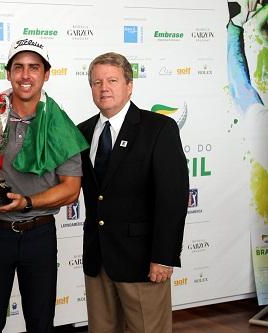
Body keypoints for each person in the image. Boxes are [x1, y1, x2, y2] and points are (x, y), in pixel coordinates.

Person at [0, 38, 89, 333]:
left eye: (34, 67)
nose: (25, 75)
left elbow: (71, 189)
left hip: (39, 235)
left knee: (40, 322)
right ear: (8, 73)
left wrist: (28, 202)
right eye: (18, 67)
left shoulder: (60, 124)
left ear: (46, 74)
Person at [77, 52, 189, 333]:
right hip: (98, 259)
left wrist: (164, 256)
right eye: (97, 82)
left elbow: (172, 198)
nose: (104, 88)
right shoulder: (82, 132)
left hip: (142, 261)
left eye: (112, 80)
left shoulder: (159, 129)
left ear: (129, 85)